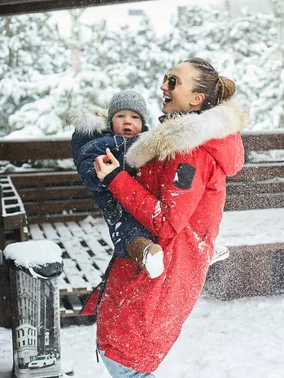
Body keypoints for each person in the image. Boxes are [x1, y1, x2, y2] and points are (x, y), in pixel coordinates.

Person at [82, 57, 246, 377]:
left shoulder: (191, 151)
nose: (163, 86)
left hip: (163, 271)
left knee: (126, 360)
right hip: (149, 266)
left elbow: (167, 221)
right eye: (165, 78)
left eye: (173, 82)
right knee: (119, 353)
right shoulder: (176, 139)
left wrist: (115, 177)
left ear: (197, 99)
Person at [66, 90, 165, 278]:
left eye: (134, 117)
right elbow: (86, 163)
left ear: (143, 123)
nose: (127, 121)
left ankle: (194, 244)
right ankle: (144, 253)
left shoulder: (147, 142)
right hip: (115, 200)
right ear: (111, 121)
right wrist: (98, 173)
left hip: (143, 195)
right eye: (121, 116)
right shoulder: (103, 143)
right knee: (127, 228)